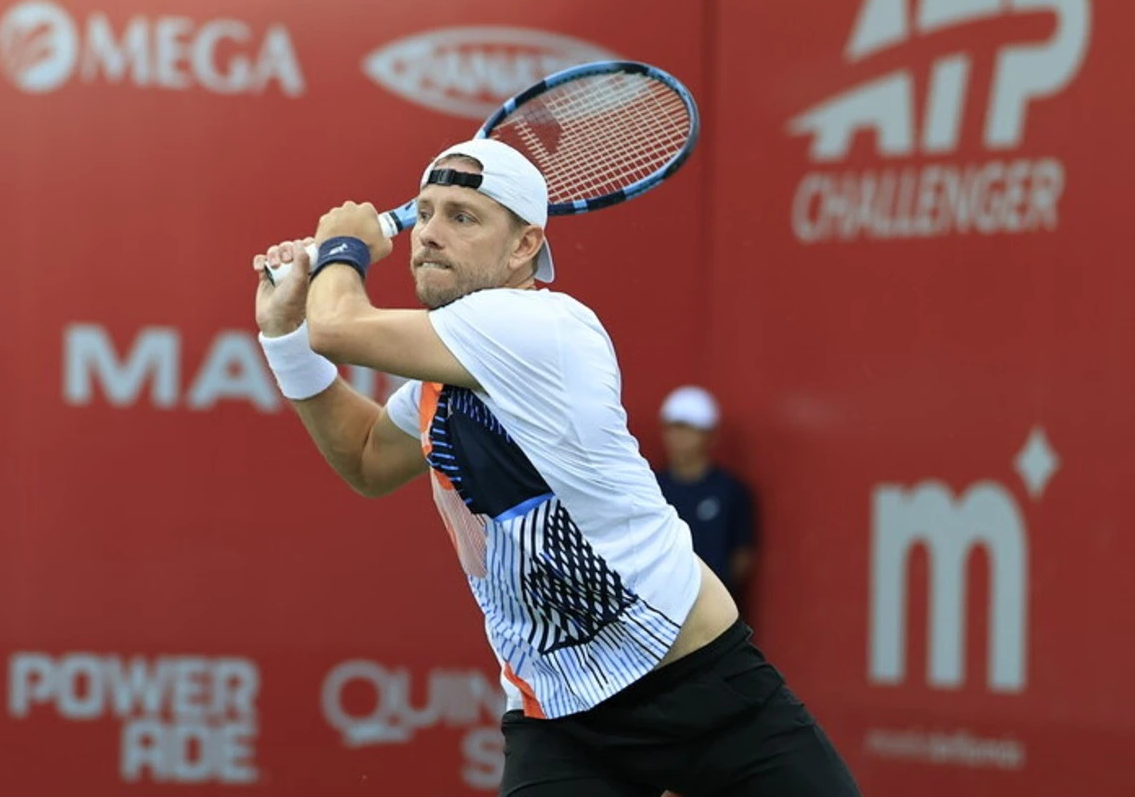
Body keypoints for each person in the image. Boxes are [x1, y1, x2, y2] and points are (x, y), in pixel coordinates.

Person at [252, 138, 860, 796]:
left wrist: (343, 244)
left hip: (704, 689)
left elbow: (339, 324)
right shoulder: (450, 369)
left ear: (523, 248)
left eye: (463, 216)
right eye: (424, 212)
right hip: (560, 721)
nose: (428, 234)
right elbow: (367, 457)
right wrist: (284, 338)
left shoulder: (534, 326)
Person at [656, 387, 757, 600]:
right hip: (660, 606)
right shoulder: (651, 489)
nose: (679, 437)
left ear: (710, 436)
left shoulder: (730, 491)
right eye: (673, 428)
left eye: (688, 429)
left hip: (713, 607)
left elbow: (742, 557)